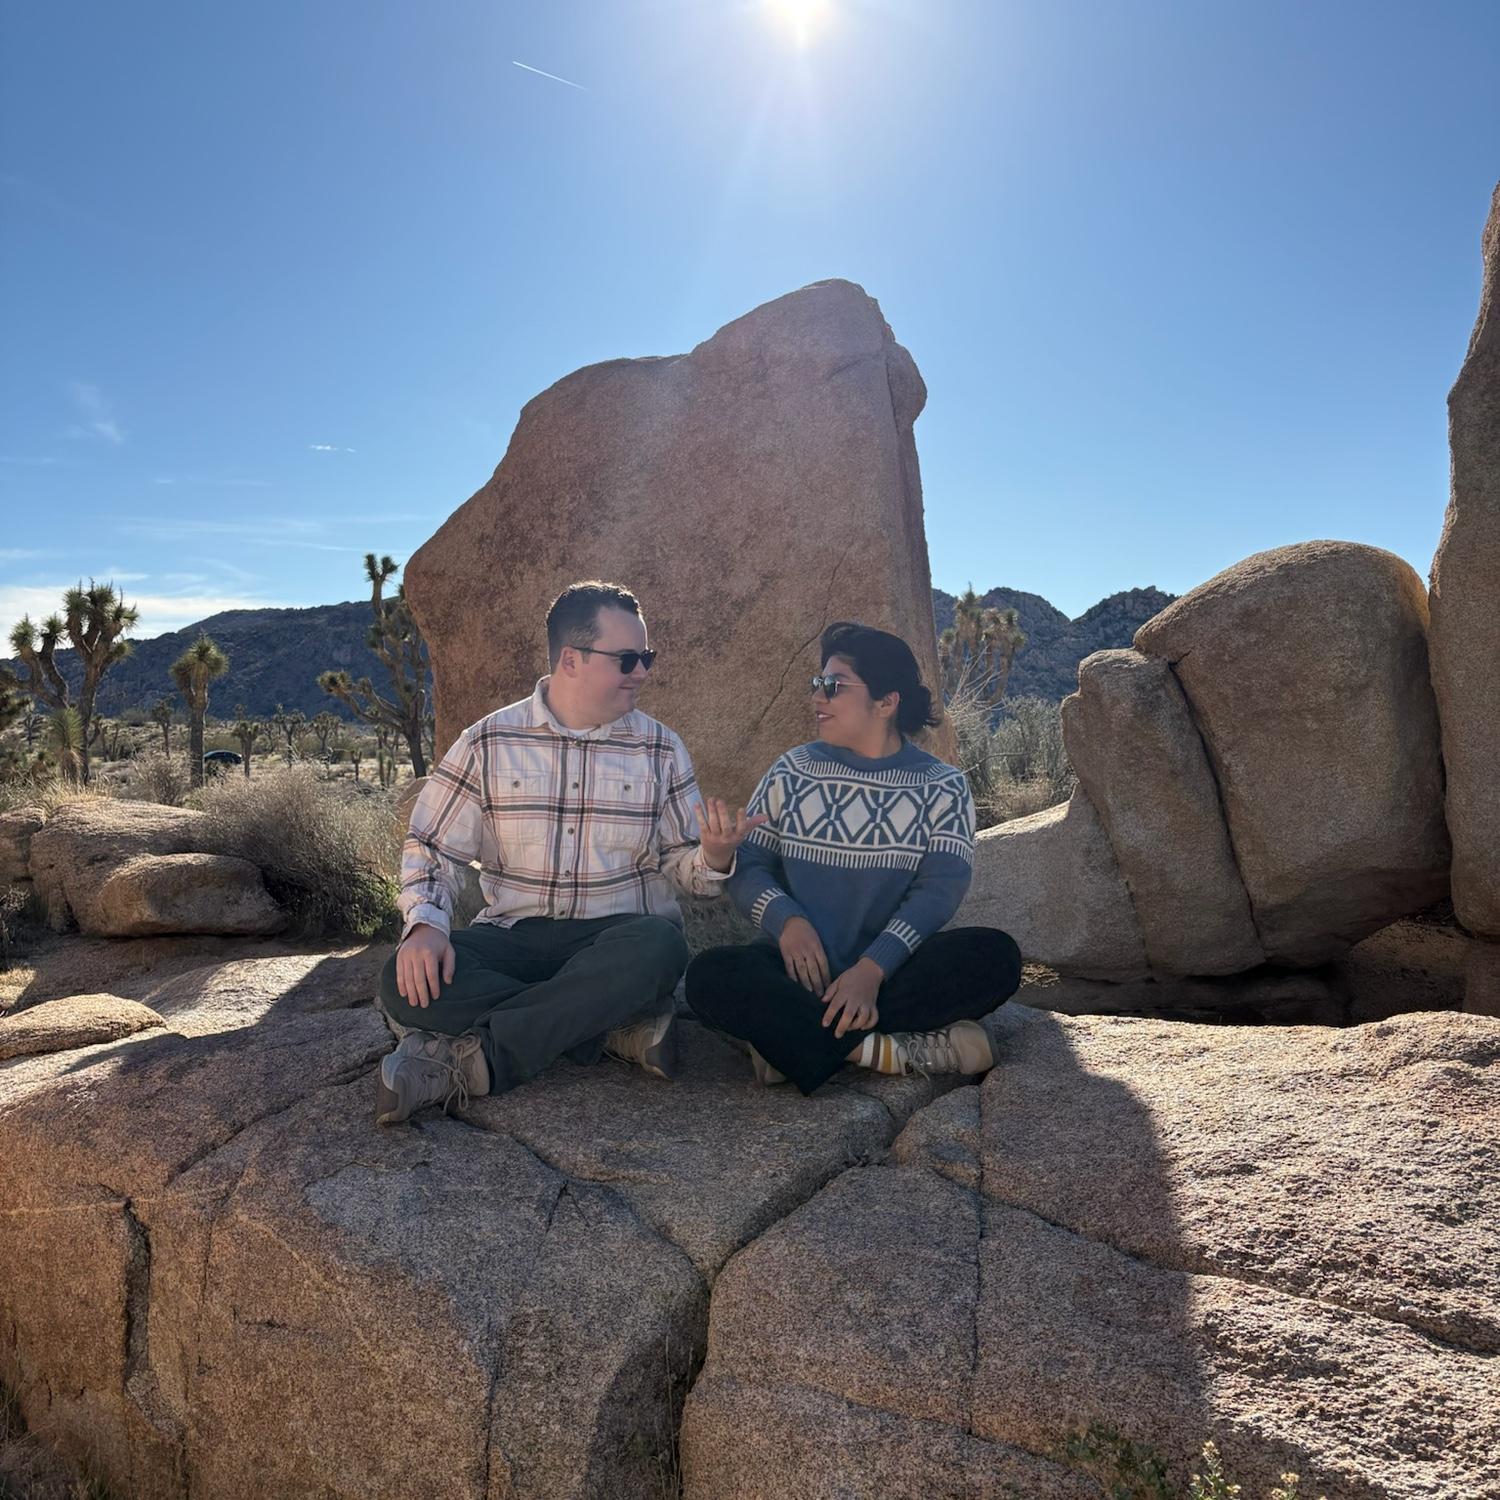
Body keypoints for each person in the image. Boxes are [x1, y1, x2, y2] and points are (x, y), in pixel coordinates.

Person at [375, 580, 762, 1124]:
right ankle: (604, 1028)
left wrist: (716, 857)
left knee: (659, 946)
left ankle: (475, 1061)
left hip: (617, 940)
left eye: (646, 657)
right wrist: (425, 927)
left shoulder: (661, 748)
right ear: (571, 660)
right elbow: (432, 847)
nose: (643, 672)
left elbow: (683, 867)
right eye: (628, 659)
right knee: (403, 981)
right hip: (515, 937)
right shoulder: (488, 741)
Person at [686, 621, 1022, 1094]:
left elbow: (937, 892)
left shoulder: (943, 787)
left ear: (887, 702)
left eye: (833, 686)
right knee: (710, 976)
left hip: (889, 973)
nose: (817, 698)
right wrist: (788, 923)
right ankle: (886, 1052)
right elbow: (751, 866)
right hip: (798, 971)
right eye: (816, 684)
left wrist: (871, 970)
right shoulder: (793, 770)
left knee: (995, 957)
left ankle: (793, 1042)